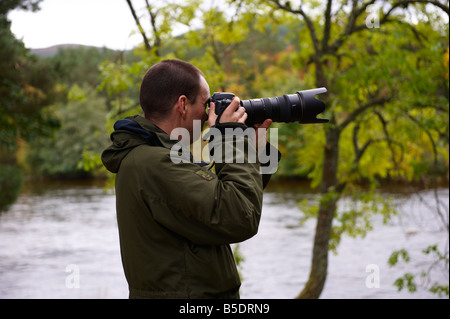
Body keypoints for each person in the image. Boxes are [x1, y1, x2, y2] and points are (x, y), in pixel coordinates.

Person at [101, 59, 276, 299]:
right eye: (205, 105)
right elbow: (239, 215)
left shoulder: (156, 156)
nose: (208, 115)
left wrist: (256, 151)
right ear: (183, 104)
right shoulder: (156, 163)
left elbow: (219, 196)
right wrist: (230, 137)